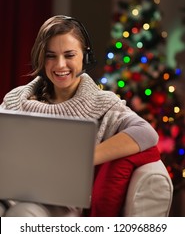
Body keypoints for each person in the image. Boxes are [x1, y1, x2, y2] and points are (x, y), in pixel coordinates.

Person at [0, 15, 160, 217]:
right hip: (7, 194)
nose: (60, 65)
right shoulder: (17, 99)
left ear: (84, 56)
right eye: (51, 56)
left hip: (55, 207)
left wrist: (82, 158)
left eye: (69, 55)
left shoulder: (103, 104)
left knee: (21, 215)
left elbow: (146, 134)